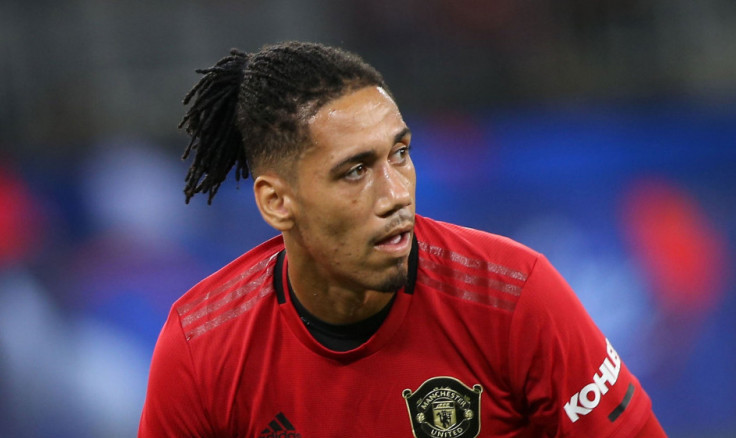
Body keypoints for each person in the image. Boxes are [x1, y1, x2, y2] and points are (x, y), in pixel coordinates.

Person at [138, 41, 666, 438]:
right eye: (354, 171)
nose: (396, 195)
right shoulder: (200, 351)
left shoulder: (513, 296)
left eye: (400, 154)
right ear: (278, 202)